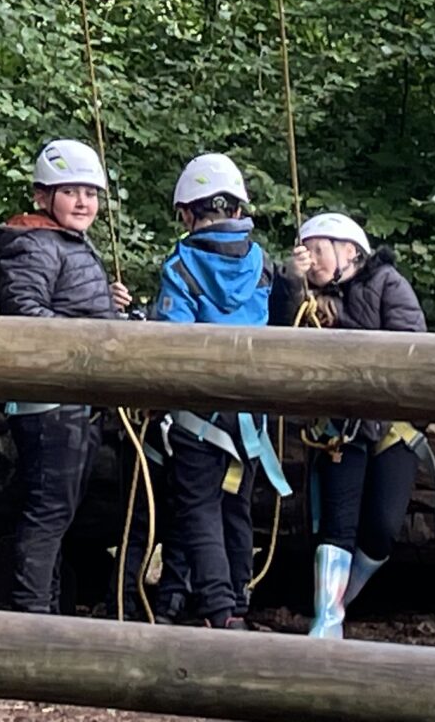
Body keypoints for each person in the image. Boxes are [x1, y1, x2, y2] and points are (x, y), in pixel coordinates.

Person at [0, 138, 133, 614]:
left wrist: (109, 308)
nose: (84, 202)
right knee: (47, 511)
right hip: (49, 401)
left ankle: (43, 609)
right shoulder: (32, 244)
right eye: (71, 192)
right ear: (42, 197)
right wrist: (91, 337)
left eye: (90, 194)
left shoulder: (62, 243)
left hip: (72, 398)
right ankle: (32, 616)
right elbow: (26, 313)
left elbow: (66, 302)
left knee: (58, 511)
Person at [149, 153, 288, 628]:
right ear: (237, 209)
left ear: (187, 213)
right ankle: (238, 602)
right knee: (235, 508)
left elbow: (172, 341)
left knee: (199, 510)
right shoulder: (262, 262)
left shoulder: (182, 264)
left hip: (200, 414)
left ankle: (219, 609)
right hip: (249, 415)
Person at [274, 211, 427, 639]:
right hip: (337, 424)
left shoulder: (388, 284)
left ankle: (339, 604)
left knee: (381, 529)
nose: (311, 259)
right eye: (306, 252)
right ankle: (327, 621)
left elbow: (411, 348)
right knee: (336, 525)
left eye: (319, 250)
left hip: (391, 424)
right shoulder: (303, 295)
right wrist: (291, 285)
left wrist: (340, 321)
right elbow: (279, 336)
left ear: (350, 252)